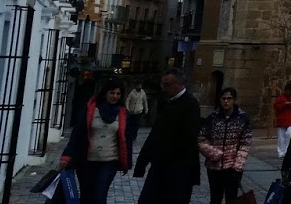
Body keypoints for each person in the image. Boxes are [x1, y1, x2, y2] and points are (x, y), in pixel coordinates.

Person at [60, 78, 139, 204]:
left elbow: (126, 139)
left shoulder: (123, 113)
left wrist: (127, 161)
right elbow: (77, 133)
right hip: (86, 160)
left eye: (118, 94)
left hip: (109, 161)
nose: (115, 96)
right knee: (86, 195)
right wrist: (67, 155)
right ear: (105, 93)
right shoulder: (91, 109)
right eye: (112, 93)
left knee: (99, 195)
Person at [133, 67, 201, 204]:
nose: (163, 88)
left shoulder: (191, 104)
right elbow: (155, 133)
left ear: (179, 84)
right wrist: (142, 161)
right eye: (162, 84)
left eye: (166, 85)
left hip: (179, 171)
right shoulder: (166, 101)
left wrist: (162, 154)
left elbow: (188, 139)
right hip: (160, 167)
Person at [198, 87, 253, 204]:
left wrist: (238, 164)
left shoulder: (242, 118)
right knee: (215, 198)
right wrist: (213, 153)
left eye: (229, 98)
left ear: (234, 100)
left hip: (232, 167)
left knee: (231, 198)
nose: (226, 101)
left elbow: (245, 143)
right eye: (224, 98)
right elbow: (202, 139)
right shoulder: (212, 118)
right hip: (214, 166)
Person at [272, 82, 291, 159]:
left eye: (290, 91)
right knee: (281, 138)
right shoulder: (280, 98)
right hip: (281, 121)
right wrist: (284, 104)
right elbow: (276, 107)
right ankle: (281, 152)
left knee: (290, 134)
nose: (288, 92)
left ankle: (288, 151)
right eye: (287, 91)